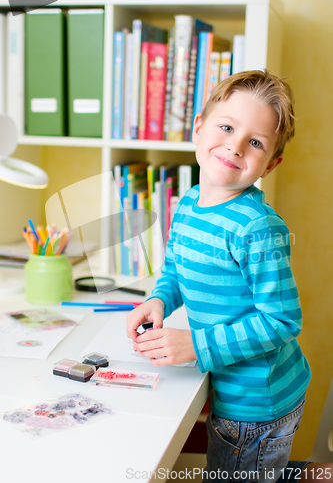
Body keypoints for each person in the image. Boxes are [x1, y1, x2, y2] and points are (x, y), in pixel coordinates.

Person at [127, 69, 313, 482]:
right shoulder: (190, 203)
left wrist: (196, 343)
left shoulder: (257, 227)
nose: (235, 145)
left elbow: (282, 320)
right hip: (228, 388)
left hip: (257, 406)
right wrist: (157, 299)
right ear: (198, 128)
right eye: (226, 127)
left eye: (256, 142)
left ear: (271, 164)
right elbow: (175, 267)